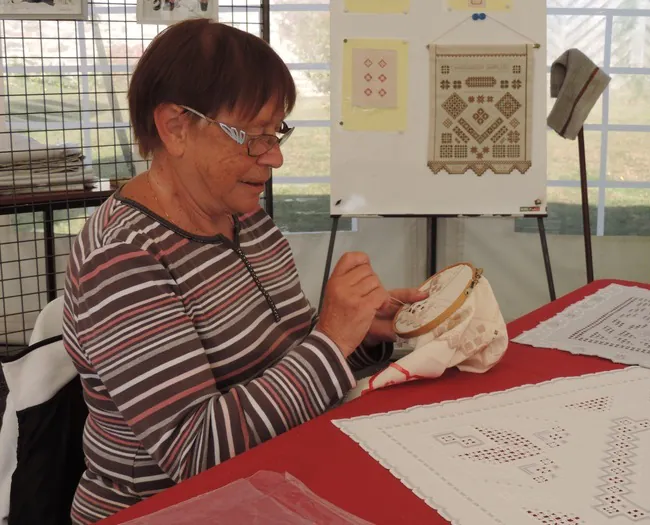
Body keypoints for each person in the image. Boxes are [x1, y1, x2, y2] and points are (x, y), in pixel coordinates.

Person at [62, 18, 425, 524]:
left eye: (276, 133)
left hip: (273, 477)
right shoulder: (124, 257)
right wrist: (333, 341)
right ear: (175, 127)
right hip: (170, 510)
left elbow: (285, 360)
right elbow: (196, 452)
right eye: (253, 136)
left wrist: (361, 331)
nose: (273, 156)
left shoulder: (245, 219)